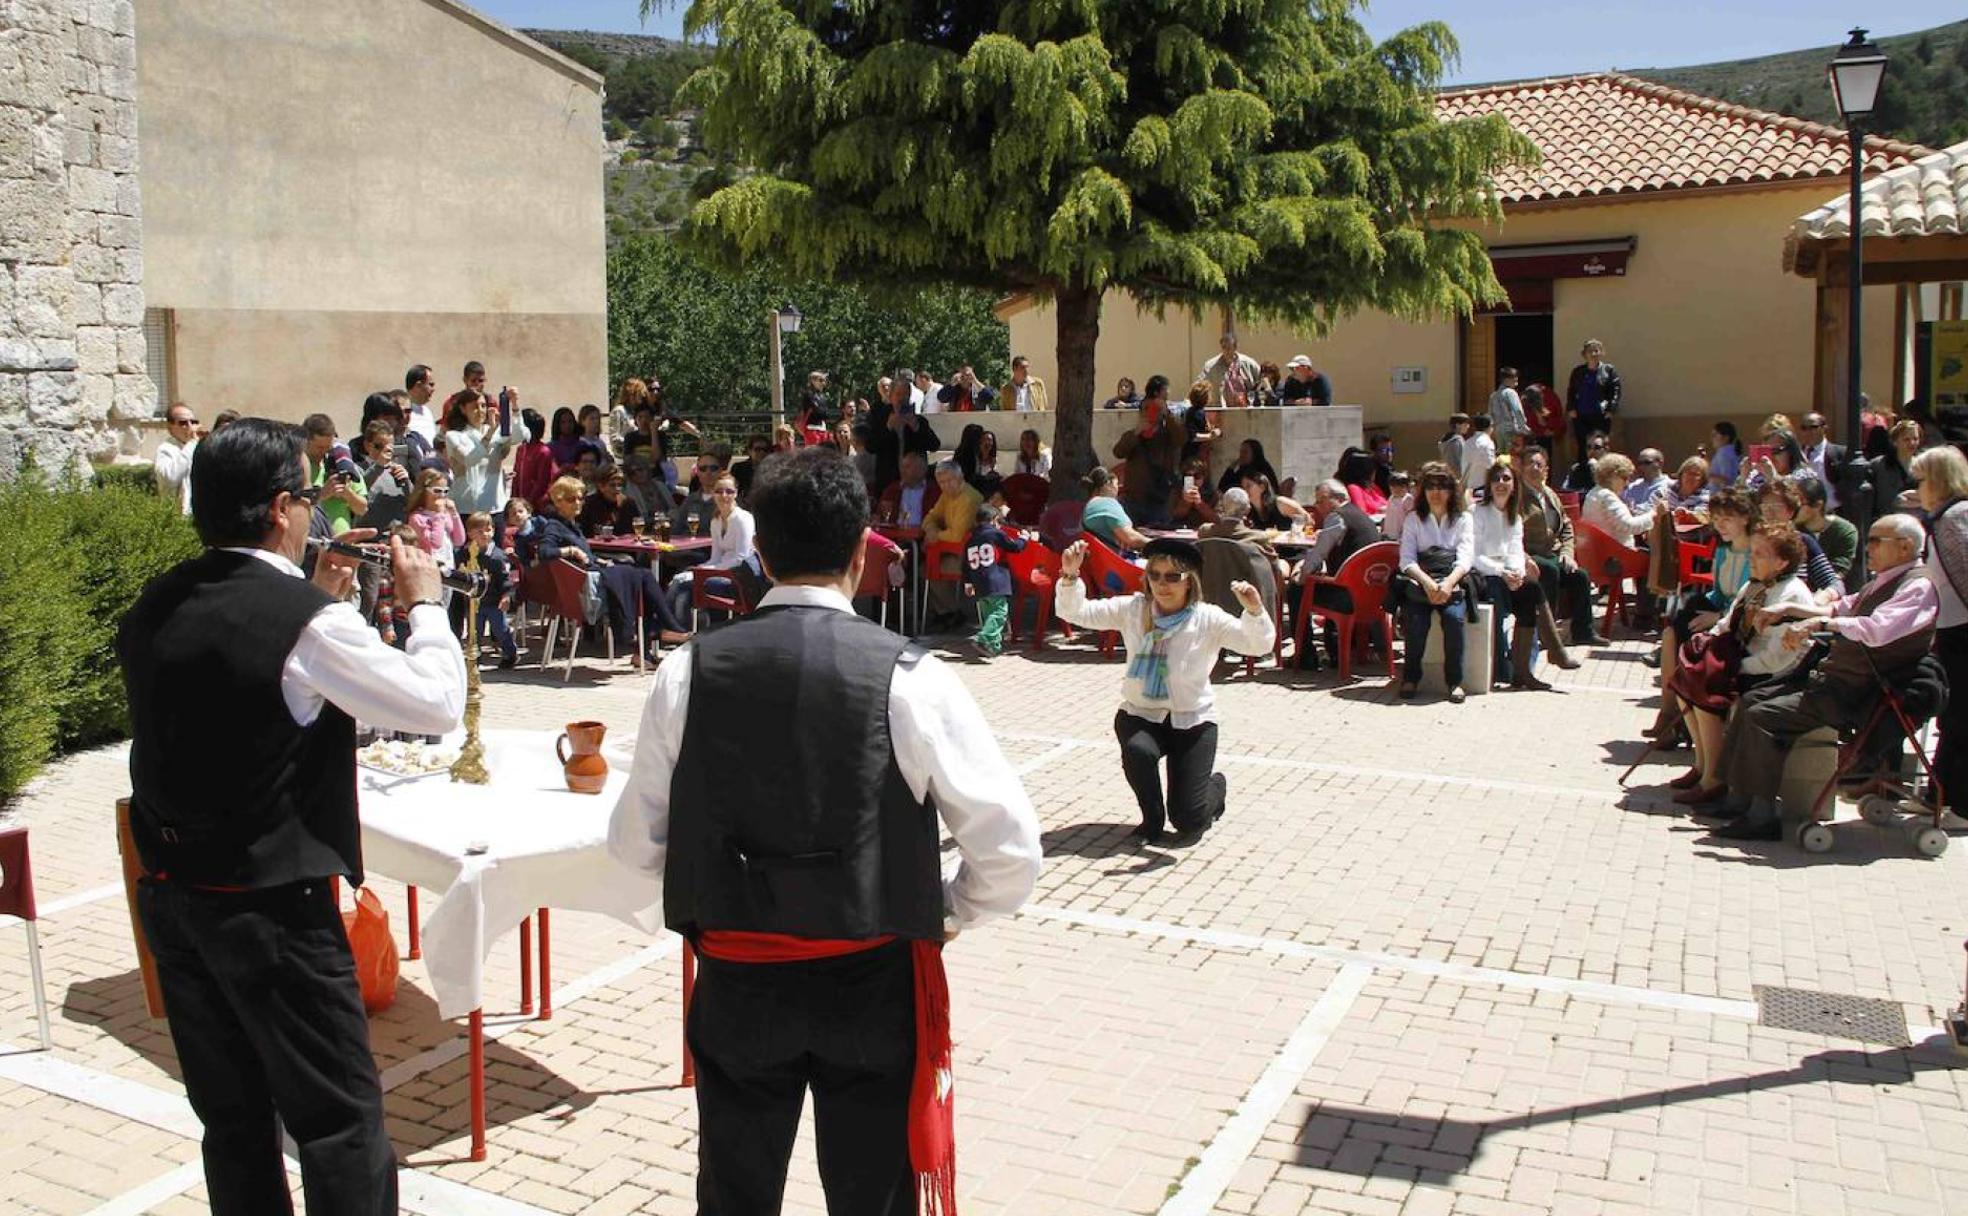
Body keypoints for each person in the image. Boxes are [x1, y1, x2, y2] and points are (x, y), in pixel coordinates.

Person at [606, 447, 1042, 1216]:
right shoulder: (912, 676)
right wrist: (946, 911)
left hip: (739, 980)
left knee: (734, 1195)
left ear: (761, 555)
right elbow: (1009, 852)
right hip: (871, 980)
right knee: (873, 1197)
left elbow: (635, 848)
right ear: (860, 554)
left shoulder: (687, 672)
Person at [119, 417, 464, 1215]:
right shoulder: (306, 621)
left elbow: (226, 694)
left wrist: (312, 601)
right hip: (273, 910)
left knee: (233, 1121)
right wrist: (425, 607)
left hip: (177, 897)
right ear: (281, 508)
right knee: (338, 1123)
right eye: (307, 498)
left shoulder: (156, 599)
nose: (312, 512)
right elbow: (436, 705)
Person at [1709, 514, 1938, 841]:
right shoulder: (1884, 580)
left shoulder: (1917, 586)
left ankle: (1762, 817)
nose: (1868, 548)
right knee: (1750, 700)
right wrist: (1791, 610)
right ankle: (1737, 798)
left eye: (1876, 541)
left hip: (1857, 692)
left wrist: (1817, 624)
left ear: (1905, 547)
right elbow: (1840, 608)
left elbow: (1877, 630)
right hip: (1834, 681)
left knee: (1763, 716)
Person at [1054, 535, 1273, 842]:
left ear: (1190, 581)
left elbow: (1257, 645)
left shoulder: (1207, 618)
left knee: (1188, 821)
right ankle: (1152, 819)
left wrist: (1254, 612)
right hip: (1142, 714)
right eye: (1154, 575)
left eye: (1172, 577)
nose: (1162, 584)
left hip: (1193, 721)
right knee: (1138, 751)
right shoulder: (1134, 609)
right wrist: (1069, 575)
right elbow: (1076, 612)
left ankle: (1216, 788)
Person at [1667, 523, 1816, 804]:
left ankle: (1714, 779)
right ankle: (1702, 764)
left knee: (1709, 690)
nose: (1751, 558)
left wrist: (1733, 669)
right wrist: (1708, 643)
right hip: (1741, 658)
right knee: (1686, 678)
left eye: (1760, 553)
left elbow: (1777, 658)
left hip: (1772, 672)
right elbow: (1726, 623)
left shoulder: (1792, 595)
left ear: (1782, 562)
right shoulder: (1754, 585)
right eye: (1752, 551)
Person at [536, 476, 691, 659]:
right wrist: (572, 550)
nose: (577, 503)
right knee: (643, 577)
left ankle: (646, 649)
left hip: (594, 574)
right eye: (571, 499)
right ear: (558, 501)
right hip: (586, 586)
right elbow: (544, 552)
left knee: (642, 580)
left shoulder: (571, 525)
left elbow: (587, 556)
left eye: (580, 498)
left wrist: (600, 560)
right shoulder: (554, 526)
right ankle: (665, 629)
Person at [1646, 487, 1755, 738]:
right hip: (1720, 610)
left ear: (1745, 518)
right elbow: (1717, 592)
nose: (1720, 525)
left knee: (1691, 641)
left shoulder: (1756, 553)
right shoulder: (1723, 551)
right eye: (1716, 519)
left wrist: (1718, 617)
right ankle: (1668, 712)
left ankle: (1680, 720)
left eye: (1727, 519)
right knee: (1672, 632)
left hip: (1739, 621)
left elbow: (1751, 598)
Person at [1471, 461, 1570, 689]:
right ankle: (1552, 652)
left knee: (1531, 590)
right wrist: (1502, 572)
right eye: (1496, 479)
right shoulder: (1476, 513)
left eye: (1506, 479)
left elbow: (1516, 550)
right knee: (1504, 594)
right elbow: (1473, 556)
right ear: (1489, 485)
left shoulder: (1514, 517)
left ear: (1514, 485)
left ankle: (1523, 672)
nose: (1501, 483)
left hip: (1507, 573)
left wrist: (1517, 573)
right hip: (1483, 574)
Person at [1912, 445, 1968, 820]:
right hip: (1951, 631)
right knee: (1951, 718)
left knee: (1962, 719)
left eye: (1920, 480)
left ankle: (1962, 805)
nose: (1916, 488)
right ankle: (1939, 794)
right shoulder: (1944, 517)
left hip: (1963, 632)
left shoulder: (1955, 518)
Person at [1396, 462, 1474, 702]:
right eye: (1430, 487)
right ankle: (1410, 678)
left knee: (1453, 619)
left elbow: (1465, 557)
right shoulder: (1413, 519)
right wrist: (1427, 583)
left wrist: (1448, 584)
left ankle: (1454, 681)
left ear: (1451, 491)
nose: (1436, 492)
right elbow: (1406, 560)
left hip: (1452, 580)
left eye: (1442, 486)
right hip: (1421, 581)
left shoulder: (1463, 519)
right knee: (1415, 622)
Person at [1519, 447, 1602, 647]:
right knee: (1550, 570)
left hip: (1553, 553)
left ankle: (1583, 632)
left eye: (1539, 464)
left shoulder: (1550, 494)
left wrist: (1567, 553)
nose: (1534, 468)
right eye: (1529, 463)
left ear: (1546, 470)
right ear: (1521, 468)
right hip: (1528, 555)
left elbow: (1566, 527)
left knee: (1580, 576)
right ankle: (1548, 633)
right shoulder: (1517, 497)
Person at [667, 472, 757, 629]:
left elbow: (740, 559)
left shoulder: (743, 519)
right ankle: (678, 629)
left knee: (682, 584)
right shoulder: (716, 520)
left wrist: (704, 572)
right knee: (680, 584)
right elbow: (715, 557)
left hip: (739, 576)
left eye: (729, 491)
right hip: (720, 571)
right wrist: (699, 570)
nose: (724, 496)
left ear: (736, 493)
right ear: (713, 493)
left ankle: (673, 629)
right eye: (719, 491)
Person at [1113, 375, 1188, 527]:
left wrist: (1168, 415)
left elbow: (1182, 439)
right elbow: (1118, 452)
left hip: (1159, 499)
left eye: (1154, 409)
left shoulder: (1167, 433)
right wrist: (1137, 432)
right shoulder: (1133, 434)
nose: (1150, 412)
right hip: (1133, 499)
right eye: (1146, 409)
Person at [922, 460, 985, 630]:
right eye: (941, 482)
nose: (946, 486)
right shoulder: (946, 496)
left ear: (960, 477)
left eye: (949, 480)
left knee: (932, 569)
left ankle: (949, 613)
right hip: (954, 550)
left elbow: (957, 535)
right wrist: (931, 529)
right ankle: (946, 612)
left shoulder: (969, 498)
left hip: (974, 555)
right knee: (925, 567)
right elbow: (930, 517)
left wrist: (935, 535)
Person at [444, 388, 525, 518]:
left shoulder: (496, 431)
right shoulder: (454, 435)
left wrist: (514, 405)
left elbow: (518, 436)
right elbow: (470, 460)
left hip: (495, 506)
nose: (480, 411)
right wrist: (489, 434)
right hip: (466, 508)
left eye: (483, 406)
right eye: (475, 407)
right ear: (463, 409)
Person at [962, 502, 1026, 656]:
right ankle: (983, 637)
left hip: (978, 582)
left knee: (989, 615)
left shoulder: (970, 540)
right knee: (999, 612)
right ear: (994, 520)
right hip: (995, 580)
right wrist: (1024, 538)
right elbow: (1014, 547)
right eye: (999, 522)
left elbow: (965, 564)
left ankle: (993, 646)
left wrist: (968, 583)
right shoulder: (994, 534)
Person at [459, 511, 519, 668]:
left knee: (500, 629)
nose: (485, 534)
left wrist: (506, 596)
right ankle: (474, 656)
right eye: (480, 531)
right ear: (470, 533)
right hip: (475, 602)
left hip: (494, 601)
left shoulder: (497, 557)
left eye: (489, 530)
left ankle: (510, 654)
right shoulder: (466, 554)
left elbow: (506, 579)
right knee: (474, 630)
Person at [1795, 475, 1859, 583]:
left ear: (1818, 505)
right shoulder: (1792, 529)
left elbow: (1839, 571)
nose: (1793, 510)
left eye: (1799, 505)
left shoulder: (1844, 531)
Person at [1564, 338, 1621, 458]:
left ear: (1602, 353)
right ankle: (1584, 467)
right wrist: (1571, 408)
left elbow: (1615, 391)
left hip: (1601, 414)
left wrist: (1611, 409)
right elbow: (1571, 391)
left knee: (1600, 443)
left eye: (1596, 351)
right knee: (1582, 444)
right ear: (1584, 354)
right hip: (1581, 415)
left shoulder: (1609, 370)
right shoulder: (1578, 372)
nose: (1594, 354)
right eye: (1590, 351)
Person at [1583, 453, 1655, 547]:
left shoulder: (1593, 493)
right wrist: (1655, 514)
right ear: (1613, 476)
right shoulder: (1607, 496)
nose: (1627, 483)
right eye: (1625, 478)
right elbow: (1630, 526)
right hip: (1617, 552)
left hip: (1602, 549)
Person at [404, 468, 465, 575]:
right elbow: (435, 543)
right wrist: (439, 514)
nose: (442, 495)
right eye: (437, 491)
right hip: (428, 568)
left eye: (445, 491)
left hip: (447, 567)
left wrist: (454, 514)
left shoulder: (446, 514)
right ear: (424, 491)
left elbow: (459, 541)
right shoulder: (417, 518)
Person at [1080, 466, 1151, 553]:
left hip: (1098, 557)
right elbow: (1131, 538)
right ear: (1108, 484)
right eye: (1116, 484)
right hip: (1113, 559)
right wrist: (1157, 543)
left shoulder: (1090, 505)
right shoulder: (1107, 503)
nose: (1118, 488)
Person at [1869, 419, 1925, 516]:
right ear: (1895, 442)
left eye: (1915, 439)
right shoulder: (1879, 465)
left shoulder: (1923, 465)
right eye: (1906, 439)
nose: (1912, 443)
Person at [1795, 412, 1848, 513]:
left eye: (1813, 427)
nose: (1808, 432)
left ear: (1824, 428)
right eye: (1804, 428)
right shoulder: (1797, 454)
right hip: (1804, 513)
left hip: (1833, 512)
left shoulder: (1839, 453)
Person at [154, 402, 199, 514]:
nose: (190, 426)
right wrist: (192, 443)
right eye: (183, 423)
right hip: (177, 516)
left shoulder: (198, 447)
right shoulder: (165, 450)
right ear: (170, 428)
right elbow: (170, 478)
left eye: (193, 422)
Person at [877, 451, 940, 527]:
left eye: (907, 467)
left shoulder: (934, 490)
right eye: (902, 467)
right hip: (896, 532)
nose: (903, 471)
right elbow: (880, 515)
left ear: (922, 470)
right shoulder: (892, 489)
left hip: (923, 532)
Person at [511, 407, 556, 511]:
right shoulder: (521, 449)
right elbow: (516, 477)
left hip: (536, 506)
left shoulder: (543, 451)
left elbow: (542, 482)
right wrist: (513, 500)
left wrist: (528, 503)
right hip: (520, 505)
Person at [1201, 333, 1262, 408]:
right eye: (1223, 347)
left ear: (1235, 347)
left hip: (1245, 409)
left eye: (1229, 348)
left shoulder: (1249, 364)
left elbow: (1261, 380)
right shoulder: (1210, 366)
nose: (1226, 351)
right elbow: (1200, 385)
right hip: (1221, 410)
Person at [579, 466, 641, 538]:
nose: (617, 489)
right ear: (601, 486)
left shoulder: (628, 503)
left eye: (620, 485)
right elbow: (580, 534)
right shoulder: (588, 504)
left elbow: (637, 530)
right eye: (612, 485)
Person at [1241, 471, 1307, 532]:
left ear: (1262, 487)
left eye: (1248, 486)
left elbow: (1307, 520)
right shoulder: (1247, 511)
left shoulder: (1281, 503)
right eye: (1243, 488)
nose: (1244, 490)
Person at [955, 424, 1003, 501]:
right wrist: (988, 479)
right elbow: (969, 479)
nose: (982, 441)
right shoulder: (966, 456)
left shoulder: (972, 453)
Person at [1488, 367, 1529, 454]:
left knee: (1501, 454)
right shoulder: (1510, 393)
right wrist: (1523, 427)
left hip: (1498, 430)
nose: (1516, 384)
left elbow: (1490, 414)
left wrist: (1491, 430)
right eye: (1515, 381)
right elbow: (1517, 410)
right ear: (1507, 380)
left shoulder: (1493, 395)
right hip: (1510, 429)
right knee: (1512, 454)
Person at [1336, 447, 1387, 515]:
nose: (1375, 472)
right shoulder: (1354, 488)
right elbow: (1361, 514)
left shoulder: (1373, 487)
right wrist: (1380, 512)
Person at [403, 363, 441, 445]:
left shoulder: (427, 411)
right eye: (430, 385)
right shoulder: (402, 411)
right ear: (418, 386)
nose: (433, 389)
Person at [793, 369, 832, 444]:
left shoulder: (822, 396)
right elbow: (814, 411)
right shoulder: (808, 395)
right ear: (813, 381)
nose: (823, 383)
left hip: (822, 428)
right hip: (812, 429)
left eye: (824, 381)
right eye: (820, 380)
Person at [1460, 414, 1497, 492]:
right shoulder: (1487, 443)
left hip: (1468, 486)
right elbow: (1491, 466)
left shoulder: (1468, 442)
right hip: (1481, 487)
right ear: (1489, 427)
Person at [1709, 421, 1746, 490]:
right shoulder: (1732, 451)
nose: (1712, 438)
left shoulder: (1723, 453)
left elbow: (1726, 481)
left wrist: (1708, 476)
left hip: (1721, 494)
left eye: (1715, 435)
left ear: (1726, 437)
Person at [1380, 471, 1414, 542]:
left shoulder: (1407, 499)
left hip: (1401, 533)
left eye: (1401, 487)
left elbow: (1410, 517)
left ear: (1407, 487)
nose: (1397, 489)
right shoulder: (1391, 497)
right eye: (1394, 486)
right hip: (1390, 530)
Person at [1438, 412, 1470, 477]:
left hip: (1447, 475)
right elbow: (1460, 462)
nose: (1468, 427)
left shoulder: (1445, 439)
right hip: (1457, 477)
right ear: (1458, 425)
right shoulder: (1457, 441)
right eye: (1465, 424)